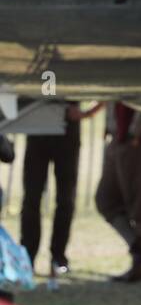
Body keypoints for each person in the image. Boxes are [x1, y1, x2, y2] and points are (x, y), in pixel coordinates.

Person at [20, 101, 103, 277]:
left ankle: (58, 257)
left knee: (65, 200)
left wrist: (88, 112)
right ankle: (27, 257)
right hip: (37, 130)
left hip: (67, 131)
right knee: (31, 199)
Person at [95, 102, 141, 282]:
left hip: (137, 138)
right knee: (105, 199)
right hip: (118, 136)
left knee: (137, 201)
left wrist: (134, 132)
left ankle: (140, 266)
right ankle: (140, 250)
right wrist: (110, 128)